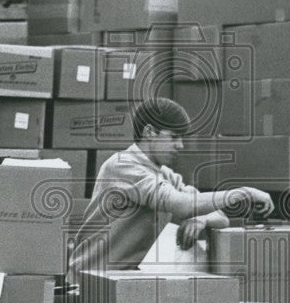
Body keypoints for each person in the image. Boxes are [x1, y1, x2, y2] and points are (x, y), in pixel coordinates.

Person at [66, 97, 273, 290]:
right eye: (173, 137)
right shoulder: (123, 166)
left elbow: (221, 218)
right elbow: (181, 204)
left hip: (120, 283)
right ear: (149, 132)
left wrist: (201, 219)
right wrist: (245, 193)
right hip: (87, 282)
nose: (180, 145)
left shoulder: (164, 174)